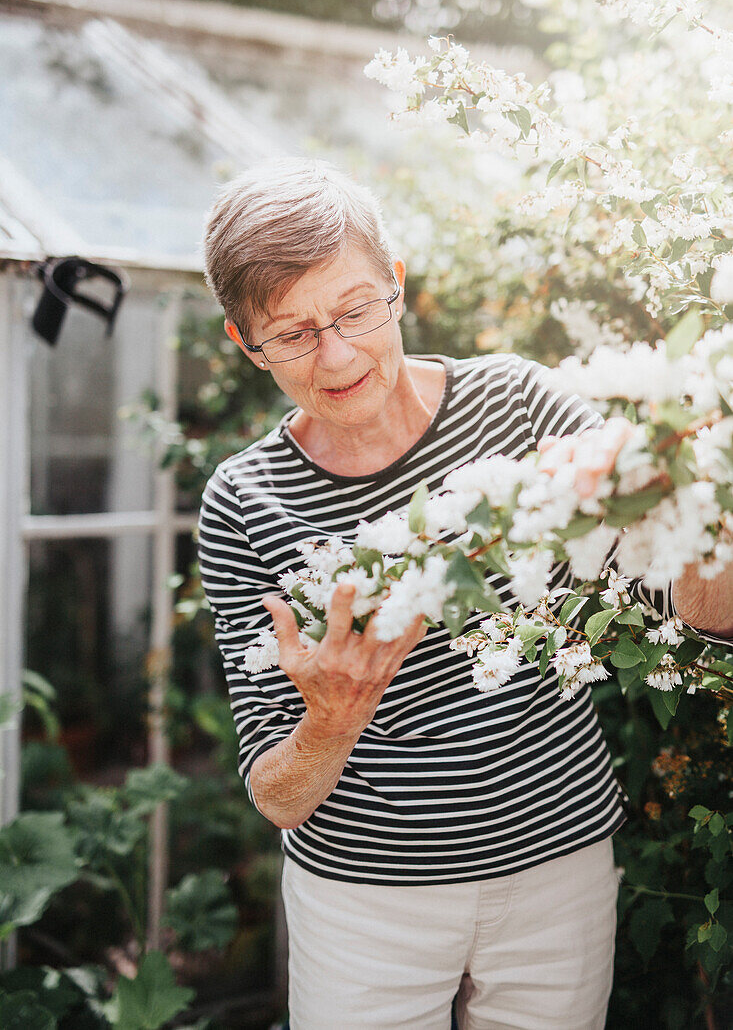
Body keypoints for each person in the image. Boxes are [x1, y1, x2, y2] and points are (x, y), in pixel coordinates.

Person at [196, 157, 733, 1030]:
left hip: (554, 876)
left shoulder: (520, 405)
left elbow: (702, 610)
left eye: (355, 309)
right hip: (363, 907)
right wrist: (334, 714)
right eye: (291, 334)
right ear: (242, 341)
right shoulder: (244, 500)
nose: (336, 355)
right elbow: (277, 795)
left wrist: (703, 493)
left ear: (396, 284)